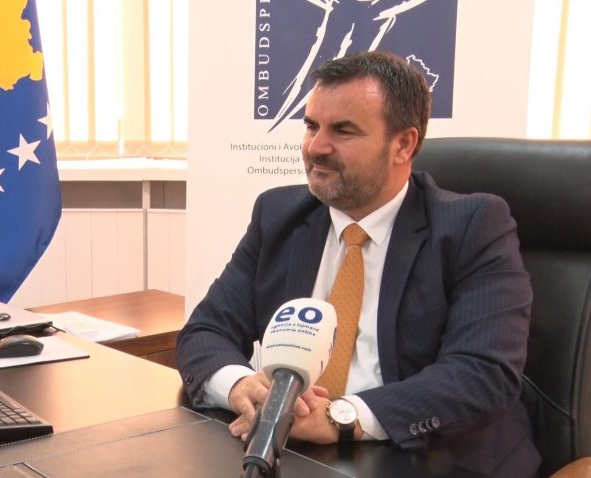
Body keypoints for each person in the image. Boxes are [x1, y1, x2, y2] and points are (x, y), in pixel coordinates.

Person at [176, 51, 540, 477]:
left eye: (343, 130)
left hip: (424, 456)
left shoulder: (472, 226)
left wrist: (342, 417)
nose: (316, 147)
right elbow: (205, 331)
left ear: (403, 144)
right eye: (311, 126)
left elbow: (482, 373)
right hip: (298, 453)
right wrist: (242, 387)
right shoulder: (278, 215)